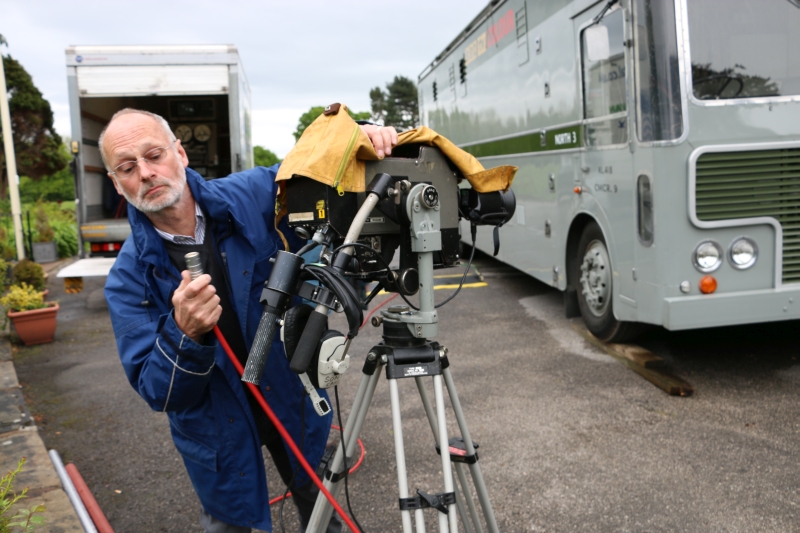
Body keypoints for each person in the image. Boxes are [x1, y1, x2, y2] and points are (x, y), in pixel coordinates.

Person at [102, 108, 397, 532]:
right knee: (231, 523)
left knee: (321, 505)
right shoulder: (128, 280)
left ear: (180, 154)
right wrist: (182, 334)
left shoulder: (254, 193)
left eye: (154, 155)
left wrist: (363, 135)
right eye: (128, 168)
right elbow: (157, 391)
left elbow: (314, 166)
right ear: (116, 182)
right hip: (215, 428)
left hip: (289, 393)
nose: (146, 173)